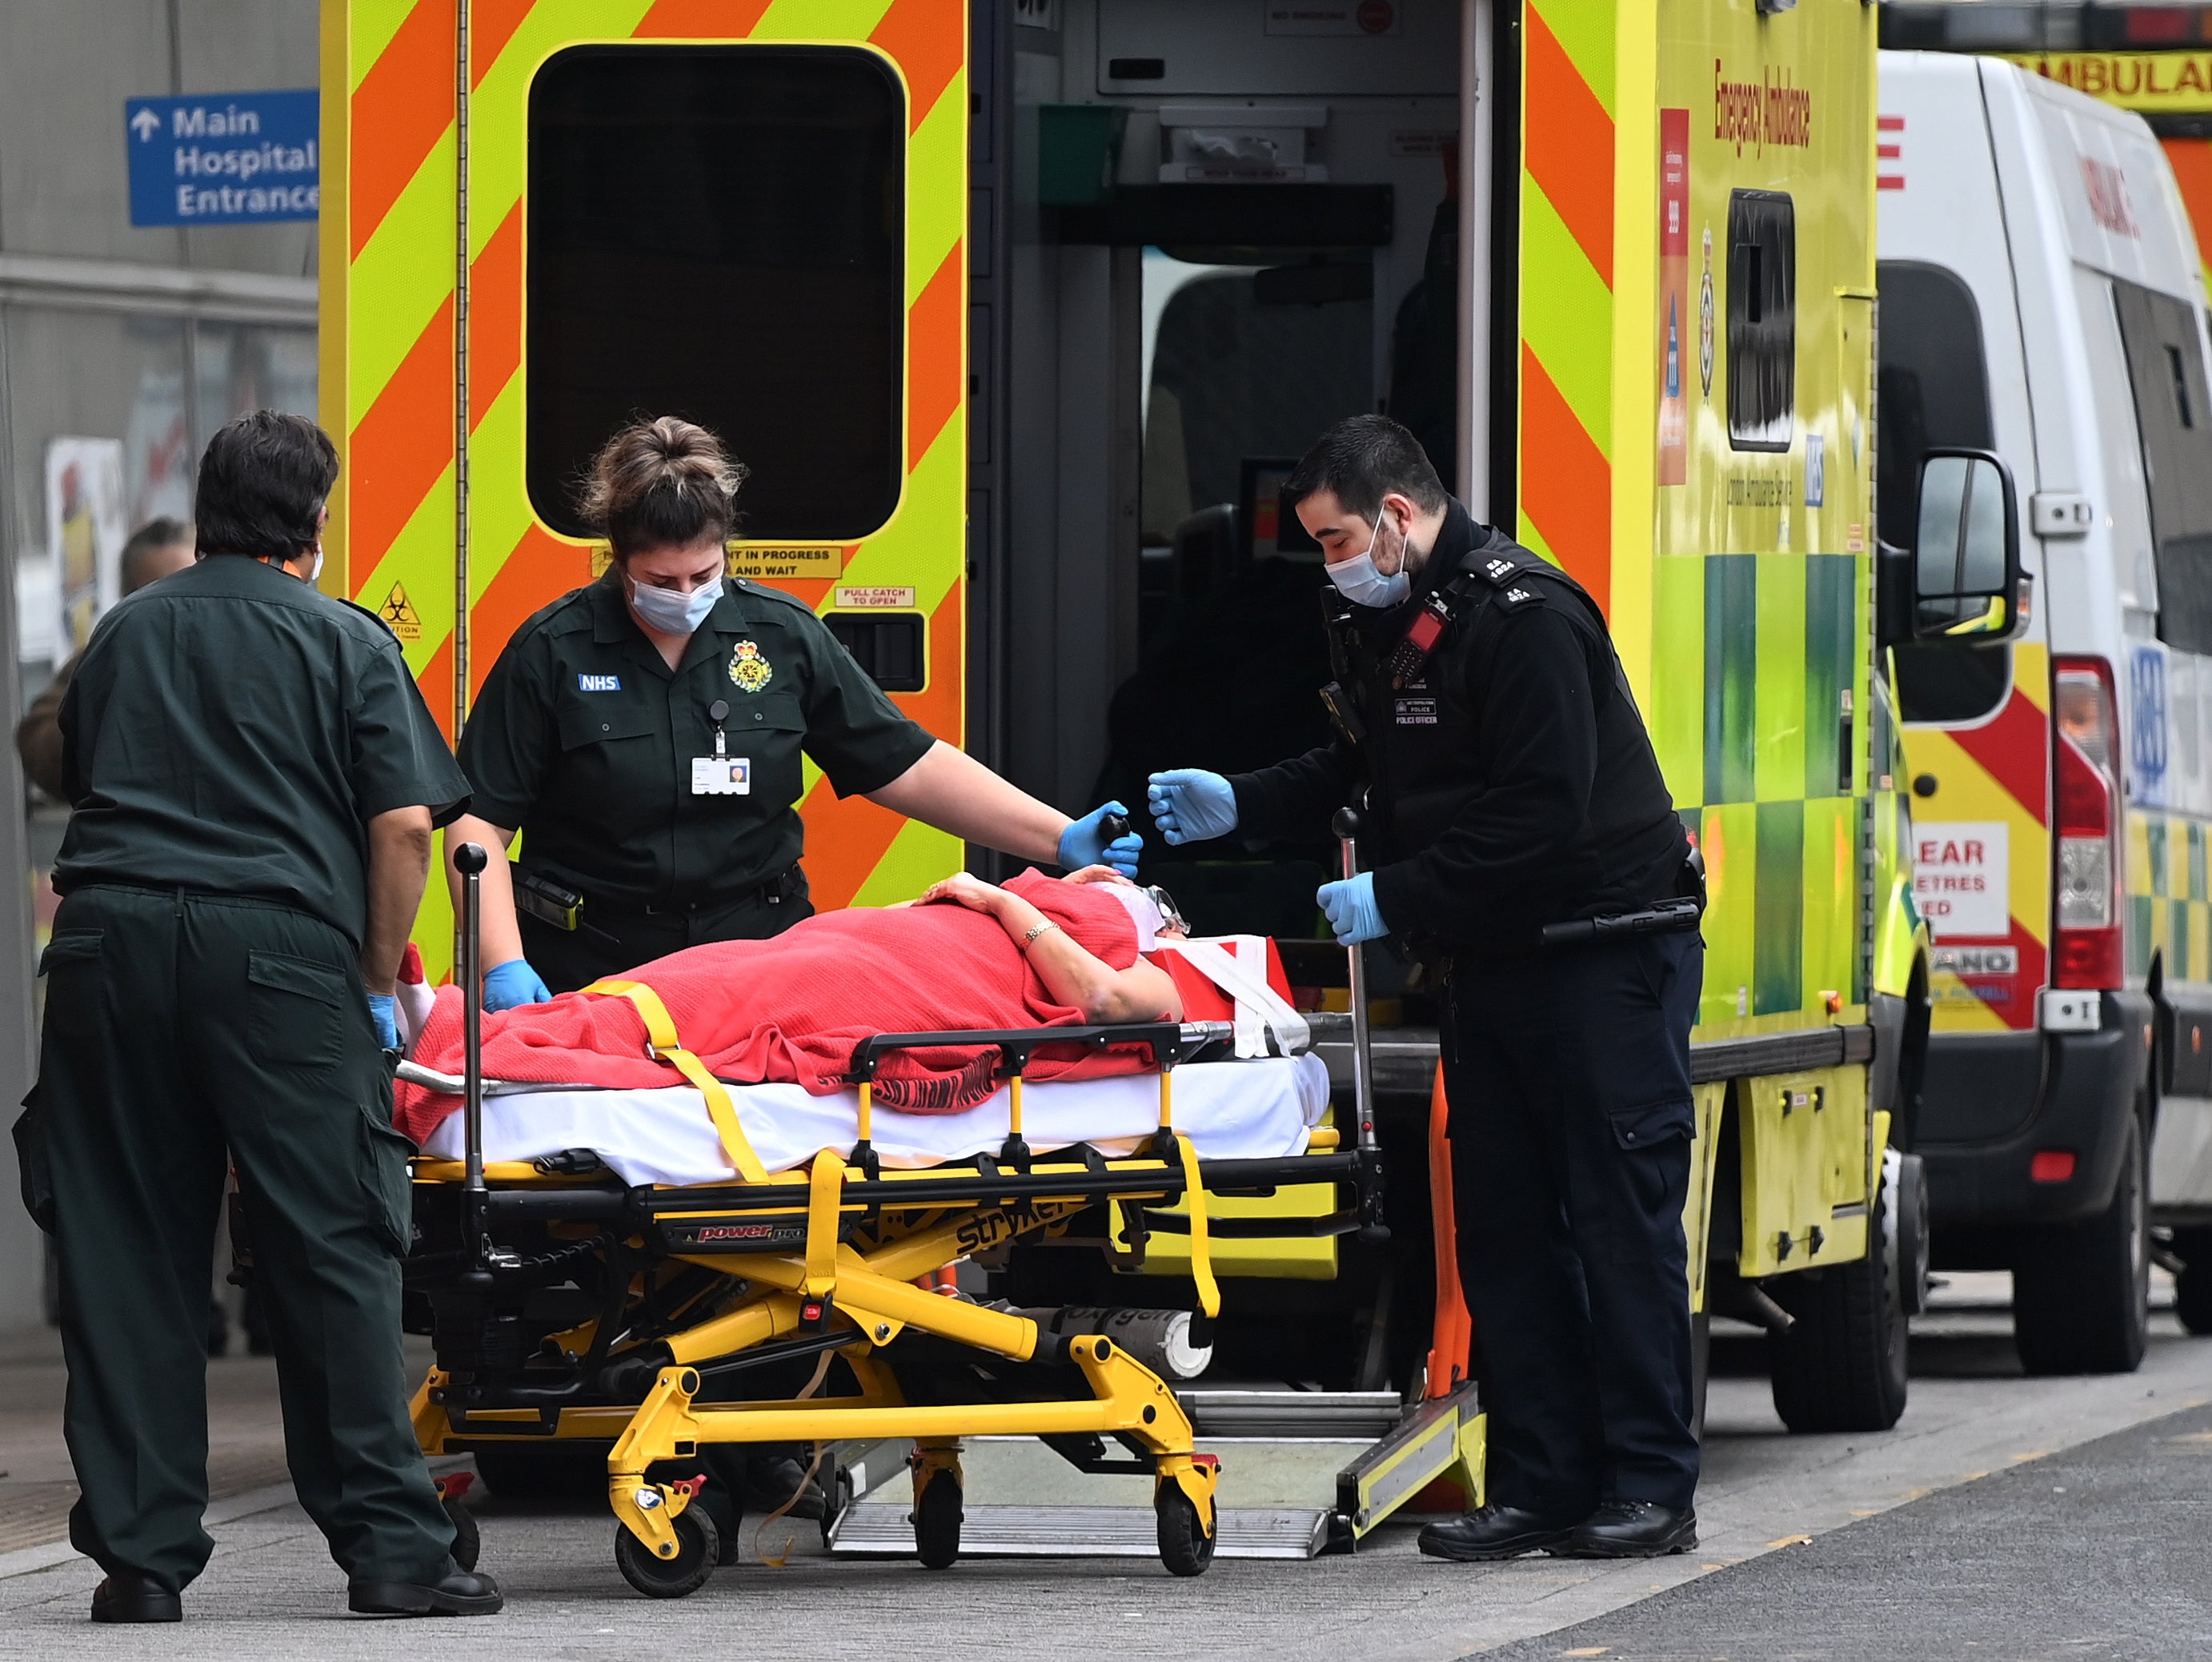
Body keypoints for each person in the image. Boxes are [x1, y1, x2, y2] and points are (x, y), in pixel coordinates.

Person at [1146, 415, 1704, 1560]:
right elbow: (1367, 763)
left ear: (1398, 515)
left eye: (1340, 537)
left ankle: (1650, 1488)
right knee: (1504, 1232)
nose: (1333, 561)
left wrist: (1396, 893)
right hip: (1493, 963)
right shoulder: (1393, 621)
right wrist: (1243, 802)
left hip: (1602, 951)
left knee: (1617, 1223)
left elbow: (1546, 809)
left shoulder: (1527, 616)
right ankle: (1544, 1486)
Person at [17, 411, 499, 1621]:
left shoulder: (121, 634)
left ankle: (139, 1562)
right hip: (278, 957)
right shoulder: (343, 639)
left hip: (107, 947)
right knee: (331, 1246)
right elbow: (401, 826)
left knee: (124, 1247)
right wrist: (379, 977)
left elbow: (79, 765)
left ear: (212, 505)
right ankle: (391, 1548)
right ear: (318, 520)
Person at [447, 416, 1141, 1008]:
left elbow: (905, 764)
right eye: (660, 581)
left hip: (760, 960)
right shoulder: (553, 649)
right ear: (618, 557)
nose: (685, 594)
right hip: (595, 966)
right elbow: (476, 819)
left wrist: (1059, 837)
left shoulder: (779, 634)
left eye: (704, 574)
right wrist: (500, 961)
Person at [395, 865, 1185, 1142]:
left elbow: (1102, 997)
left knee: (724, 1019)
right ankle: (475, 1031)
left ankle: (469, 1047)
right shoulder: (1054, 890)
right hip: (872, 945)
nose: (1128, 886)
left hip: (911, 987)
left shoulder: (1158, 962)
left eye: (1149, 894)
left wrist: (1002, 903)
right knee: (694, 982)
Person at [16, 517, 196, 800]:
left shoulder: (236, 654)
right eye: (157, 593)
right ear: (129, 597)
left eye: (188, 588)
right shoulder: (106, 658)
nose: (175, 606)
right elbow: (39, 742)